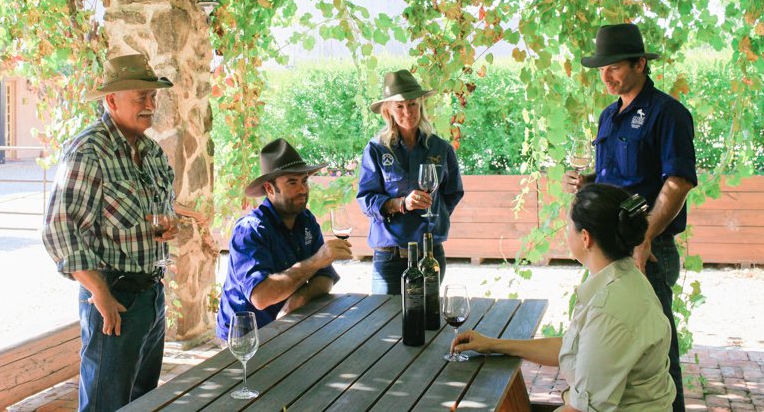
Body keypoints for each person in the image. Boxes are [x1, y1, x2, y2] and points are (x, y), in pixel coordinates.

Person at [42, 53, 209, 412]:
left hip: (151, 295)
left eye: (153, 97)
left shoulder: (150, 152)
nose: (150, 105)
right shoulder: (88, 150)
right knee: (106, 405)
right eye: (141, 97)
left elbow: (161, 211)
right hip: (112, 299)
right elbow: (60, 230)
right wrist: (99, 292)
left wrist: (171, 226)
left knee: (143, 403)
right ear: (112, 100)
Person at [562, 23, 697, 412]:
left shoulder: (668, 113)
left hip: (647, 251)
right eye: (602, 69)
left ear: (641, 63)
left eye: (615, 67)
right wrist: (585, 181)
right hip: (609, 249)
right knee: (610, 347)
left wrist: (645, 238)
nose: (606, 75)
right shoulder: (608, 115)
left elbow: (678, 181)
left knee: (657, 358)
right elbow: (616, 177)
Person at [453, 183, 676, 412]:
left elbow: (584, 410)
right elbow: (575, 349)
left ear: (586, 238)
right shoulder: (623, 278)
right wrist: (493, 345)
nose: (565, 231)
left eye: (569, 226)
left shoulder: (609, 308)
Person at [216, 138, 352, 340]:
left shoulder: (306, 220)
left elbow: (325, 277)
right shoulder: (250, 230)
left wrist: (298, 300)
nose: (303, 190)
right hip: (245, 336)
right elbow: (261, 297)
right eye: (292, 182)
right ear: (270, 189)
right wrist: (316, 260)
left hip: (287, 325)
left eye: (304, 180)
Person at [356, 69, 464, 294]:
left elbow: (453, 193)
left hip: (431, 255)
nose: (408, 111)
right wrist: (401, 204)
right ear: (388, 111)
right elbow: (365, 200)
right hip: (390, 257)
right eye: (400, 106)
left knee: (428, 322)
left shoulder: (440, 148)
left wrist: (434, 214)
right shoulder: (376, 149)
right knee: (385, 326)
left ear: (421, 104)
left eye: (413, 104)